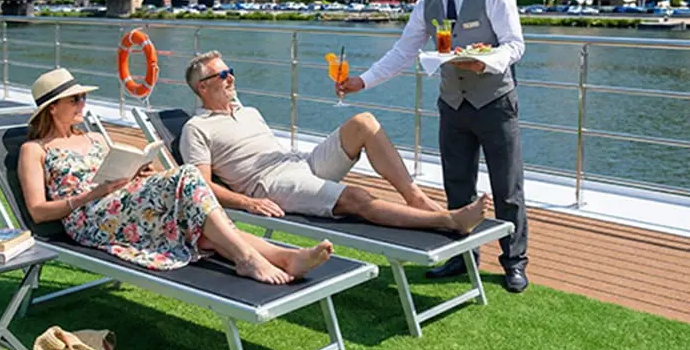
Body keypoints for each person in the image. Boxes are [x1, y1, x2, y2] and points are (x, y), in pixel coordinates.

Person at [338, 0, 529, 293]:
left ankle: (514, 262)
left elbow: (514, 45)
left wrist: (486, 62)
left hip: (495, 103)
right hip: (453, 104)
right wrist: (362, 81)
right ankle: (462, 256)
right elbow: (404, 52)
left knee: (507, 188)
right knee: (457, 186)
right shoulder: (427, 2)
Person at [18, 67, 334, 285]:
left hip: (127, 203)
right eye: (75, 99)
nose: (82, 103)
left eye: (83, 97)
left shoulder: (96, 138)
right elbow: (37, 210)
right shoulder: (35, 150)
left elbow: (118, 171)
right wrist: (90, 195)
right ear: (52, 108)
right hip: (91, 218)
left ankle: (286, 257)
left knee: (202, 224)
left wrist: (137, 170)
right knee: (186, 177)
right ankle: (249, 259)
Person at [180, 51, 489, 234]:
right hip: (271, 184)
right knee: (356, 197)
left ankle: (415, 197)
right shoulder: (198, 128)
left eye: (231, 72)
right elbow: (201, 186)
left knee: (363, 122)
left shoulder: (249, 111)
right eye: (223, 75)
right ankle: (448, 220)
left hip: (297, 162)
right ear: (203, 87)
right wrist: (248, 202)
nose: (232, 78)